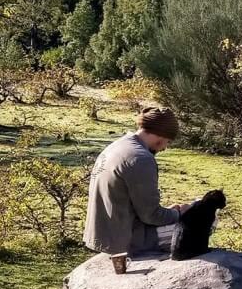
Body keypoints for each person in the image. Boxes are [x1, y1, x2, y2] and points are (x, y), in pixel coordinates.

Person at [83, 106, 193, 256]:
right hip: (127, 240)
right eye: (168, 141)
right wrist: (179, 214)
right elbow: (151, 216)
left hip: (102, 235)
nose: (165, 147)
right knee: (205, 221)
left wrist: (170, 211)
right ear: (162, 136)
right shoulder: (141, 159)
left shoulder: (116, 146)